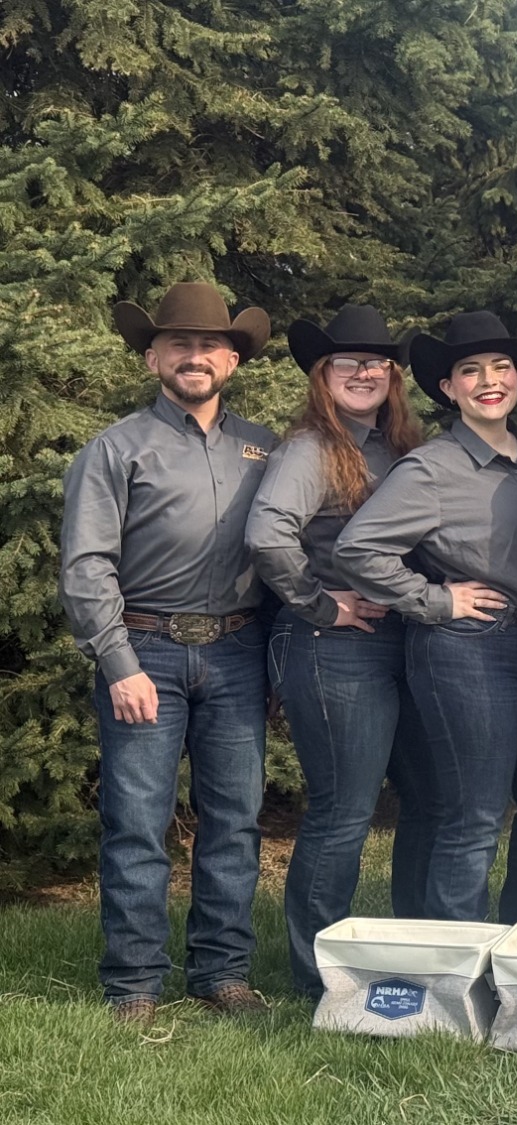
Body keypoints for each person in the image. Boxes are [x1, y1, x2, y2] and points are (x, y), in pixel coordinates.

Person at [60, 282, 277, 1025]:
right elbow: (87, 566)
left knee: (235, 818)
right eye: (179, 343)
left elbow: (284, 554)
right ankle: (136, 982)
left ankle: (222, 970)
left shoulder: (265, 449)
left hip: (240, 651)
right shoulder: (115, 449)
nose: (195, 356)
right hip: (145, 648)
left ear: (232, 360)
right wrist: (118, 662)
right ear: (152, 355)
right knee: (137, 820)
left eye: (210, 344)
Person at [333, 311, 517, 924]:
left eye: (501, 367)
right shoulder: (430, 469)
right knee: (476, 813)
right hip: (468, 649)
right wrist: (436, 599)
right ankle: (454, 961)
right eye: (470, 371)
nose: (489, 380)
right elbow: (357, 548)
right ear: (448, 388)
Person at [247, 304, 439, 996]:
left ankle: (424, 951)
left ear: (394, 376)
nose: (364, 372)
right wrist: (322, 603)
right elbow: (268, 534)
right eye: (347, 362)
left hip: (402, 643)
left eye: (377, 362)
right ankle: (319, 974)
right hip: (332, 646)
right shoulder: (309, 449)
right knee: (344, 810)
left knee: (431, 797)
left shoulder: (400, 449)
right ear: (323, 375)